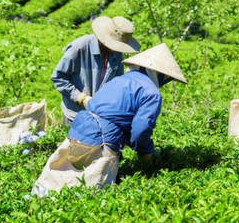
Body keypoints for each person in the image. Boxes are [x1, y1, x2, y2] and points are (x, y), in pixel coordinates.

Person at [31, 43, 187, 196]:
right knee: (91, 191)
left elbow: (103, 108)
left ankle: (40, 199)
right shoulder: (151, 93)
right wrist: (147, 154)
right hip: (104, 138)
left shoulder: (120, 80)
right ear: (160, 74)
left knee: (61, 175)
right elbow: (141, 131)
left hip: (78, 129)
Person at [51, 16, 140, 126]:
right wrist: (80, 98)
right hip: (75, 115)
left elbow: (117, 84)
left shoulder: (116, 54)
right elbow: (58, 77)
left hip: (99, 117)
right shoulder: (80, 47)